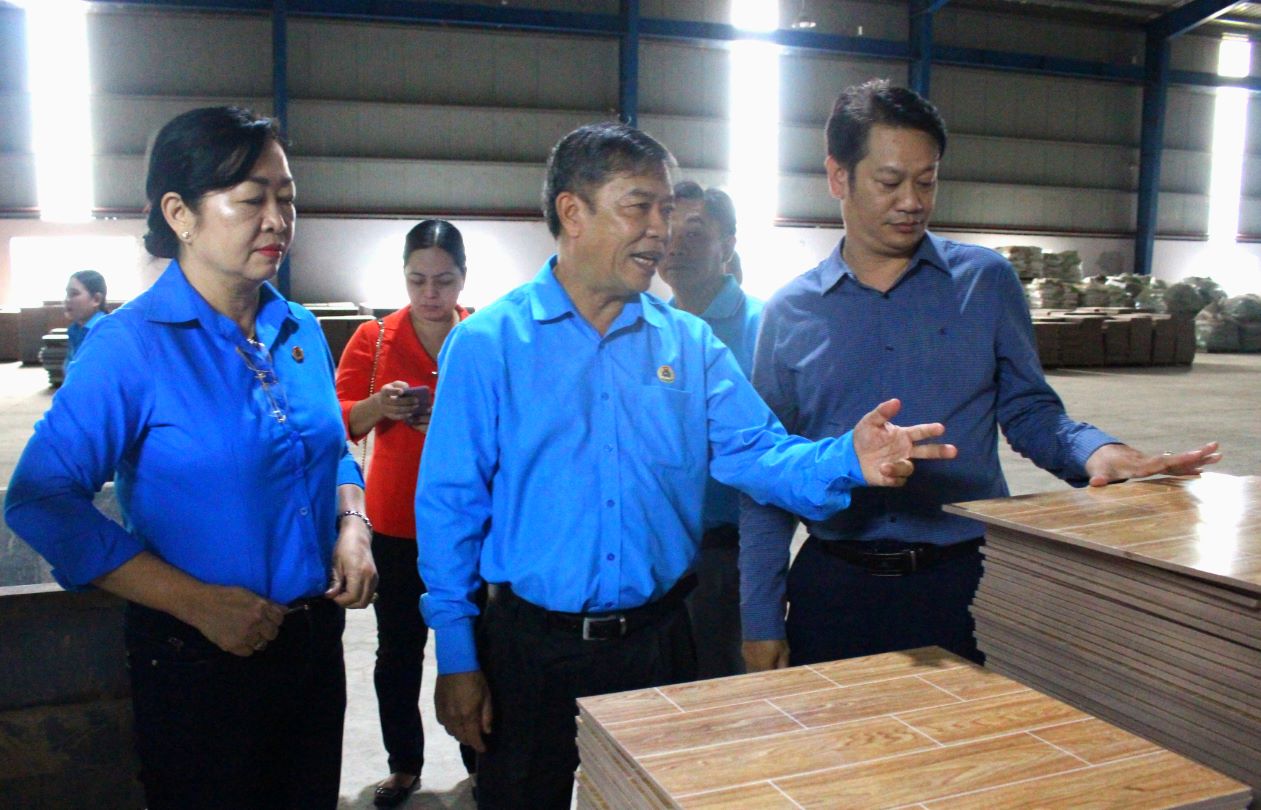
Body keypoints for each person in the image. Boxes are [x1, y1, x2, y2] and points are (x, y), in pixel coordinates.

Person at [413, 121, 958, 810]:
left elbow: (756, 451)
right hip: (529, 649)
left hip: (659, 645)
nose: (660, 230)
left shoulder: (688, 345)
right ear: (572, 212)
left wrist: (844, 458)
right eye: (638, 206)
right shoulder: (488, 345)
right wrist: (458, 656)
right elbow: (449, 510)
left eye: (666, 210)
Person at [740, 79, 1222, 674]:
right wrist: (760, 618)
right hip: (838, 589)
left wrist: (1099, 454)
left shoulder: (986, 283)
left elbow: (1029, 411)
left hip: (967, 580)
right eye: (890, 182)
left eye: (927, 180)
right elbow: (767, 476)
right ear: (838, 177)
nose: (912, 201)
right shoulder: (791, 313)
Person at [4, 106, 377, 810]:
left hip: (310, 644)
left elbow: (327, 451)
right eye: (251, 200)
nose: (277, 220)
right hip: (199, 656)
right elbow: (38, 500)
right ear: (179, 213)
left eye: (287, 198)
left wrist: (352, 523)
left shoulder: (296, 329)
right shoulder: (132, 346)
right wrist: (198, 603)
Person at [334, 219, 473, 807]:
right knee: (398, 651)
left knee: (478, 650)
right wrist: (379, 404)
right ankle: (405, 765)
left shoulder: (485, 334)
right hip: (396, 523)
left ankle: (482, 758)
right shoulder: (374, 340)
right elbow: (340, 419)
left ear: (463, 279)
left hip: (471, 524)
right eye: (417, 279)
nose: (430, 293)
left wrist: (449, 412)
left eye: (443, 280)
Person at [657, 180, 758, 679]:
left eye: (694, 233)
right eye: (668, 230)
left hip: (729, 556)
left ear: (728, 245)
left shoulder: (763, 326)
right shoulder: (651, 330)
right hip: (657, 552)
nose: (675, 245)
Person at [63, 269, 108, 365]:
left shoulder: (105, 331)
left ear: (96, 299)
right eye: (67, 293)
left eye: (74, 294)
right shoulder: (75, 329)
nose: (66, 300)